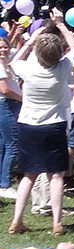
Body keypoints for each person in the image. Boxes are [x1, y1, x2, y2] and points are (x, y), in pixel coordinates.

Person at [8, 12, 74, 236]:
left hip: (28, 125)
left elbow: (13, 62)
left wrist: (30, 39)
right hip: (54, 125)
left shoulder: (27, 70)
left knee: (27, 175)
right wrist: (60, 24)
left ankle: (17, 220)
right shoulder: (63, 68)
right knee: (56, 175)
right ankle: (57, 222)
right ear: (59, 54)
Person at [0, 33, 22, 200]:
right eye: (0, 47)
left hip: (9, 105)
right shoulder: (0, 66)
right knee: (12, 144)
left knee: (3, 145)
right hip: (7, 104)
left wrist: (17, 36)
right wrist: (24, 99)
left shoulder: (6, 63)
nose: (3, 50)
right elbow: (5, 89)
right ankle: (5, 184)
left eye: (5, 47)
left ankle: (3, 181)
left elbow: (19, 51)